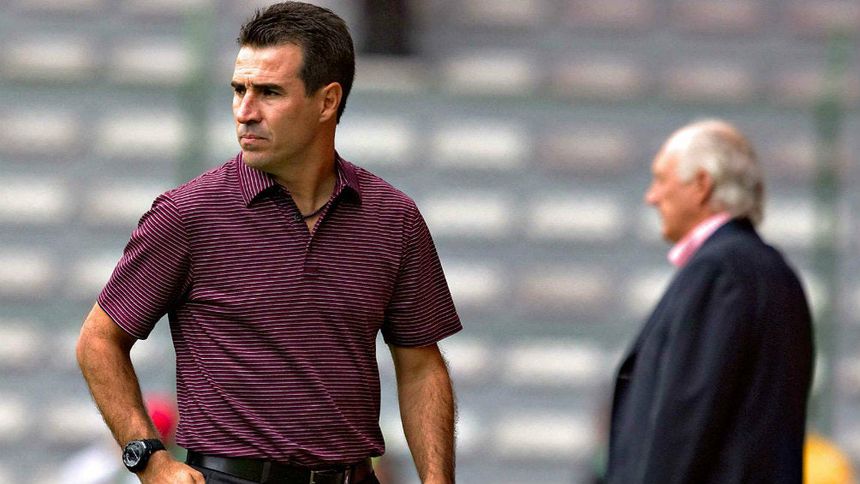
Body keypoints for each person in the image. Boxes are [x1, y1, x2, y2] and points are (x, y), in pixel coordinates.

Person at [76, 3, 462, 483]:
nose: (245, 111)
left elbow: (422, 366)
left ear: (327, 101)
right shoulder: (187, 214)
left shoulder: (392, 218)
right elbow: (98, 341)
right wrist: (150, 459)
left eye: (269, 92)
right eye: (239, 89)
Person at [605, 119, 814, 483]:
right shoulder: (777, 273)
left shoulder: (720, 273)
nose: (651, 196)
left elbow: (686, 420)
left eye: (661, 180)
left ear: (701, 185)